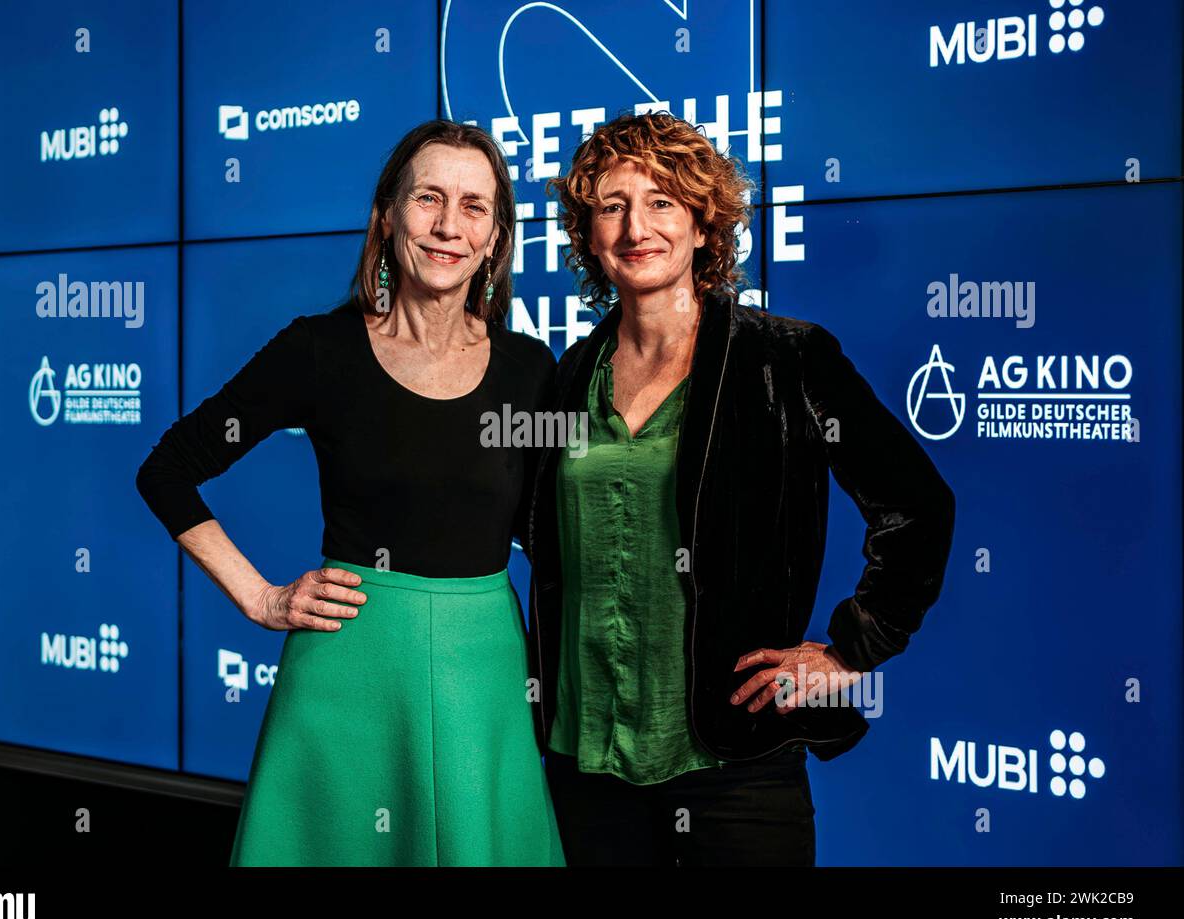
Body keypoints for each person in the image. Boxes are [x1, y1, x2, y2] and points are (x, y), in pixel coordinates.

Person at [526, 111, 955, 866]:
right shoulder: (565, 379)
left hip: (732, 768)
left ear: (702, 224)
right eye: (612, 206)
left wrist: (853, 648)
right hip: (584, 762)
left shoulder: (784, 359)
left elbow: (917, 505)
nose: (637, 227)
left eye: (662, 202)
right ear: (588, 235)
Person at [136, 119, 564, 866]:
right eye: (427, 198)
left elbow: (561, 530)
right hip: (348, 669)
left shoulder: (532, 371)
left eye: (473, 206)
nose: (447, 226)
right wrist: (260, 597)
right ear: (388, 214)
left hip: (488, 673)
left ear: (497, 238)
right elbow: (167, 470)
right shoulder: (318, 350)